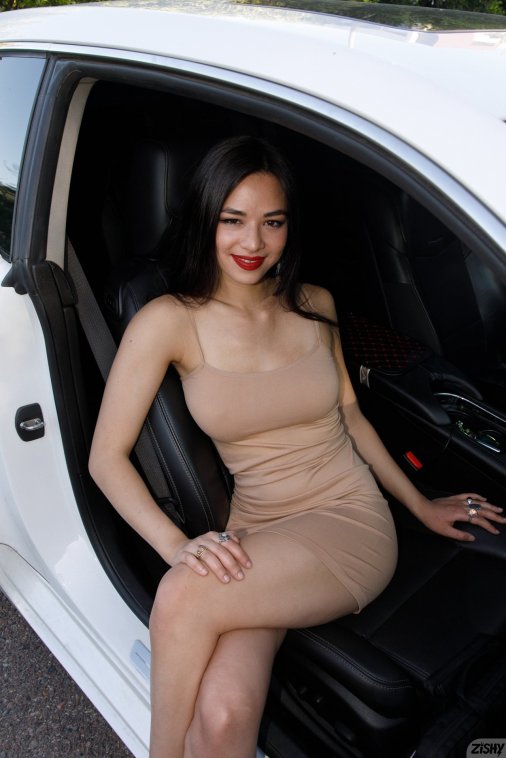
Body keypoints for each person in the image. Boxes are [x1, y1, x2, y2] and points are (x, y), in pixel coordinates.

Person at [89, 136, 505, 758]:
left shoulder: (314, 304)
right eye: (233, 220)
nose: (253, 242)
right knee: (225, 714)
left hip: (347, 521)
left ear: (289, 227)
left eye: (272, 222)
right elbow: (106, 457)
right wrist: (178, 545)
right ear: (205, 220)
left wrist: (419, 505)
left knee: (182, 594)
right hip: (256, 526)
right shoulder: (169, 320)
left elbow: (351, 417)